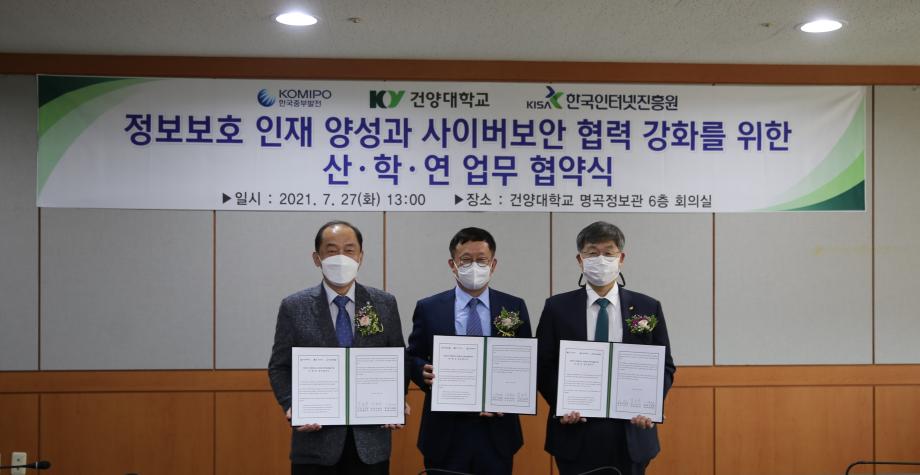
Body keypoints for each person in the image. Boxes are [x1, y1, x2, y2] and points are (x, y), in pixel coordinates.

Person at [536, 221, 676, 475]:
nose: (600, 260)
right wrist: (561, 404)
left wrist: (650, 404)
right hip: (575, 430)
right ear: (580, 260)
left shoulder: (647, 307)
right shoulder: (557, 308)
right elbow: (543, 365)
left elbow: (665, 366)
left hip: (630, 431)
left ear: (621, 258)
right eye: (592, 253)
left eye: (608, 253)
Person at [268, 220, 406, 475]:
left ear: (360, 257)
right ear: (317, 258)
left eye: (349, 250)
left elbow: (399, 359)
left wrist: (397, 399)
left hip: (370, 442)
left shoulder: (383, 303)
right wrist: (292, 404)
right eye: (331, 251)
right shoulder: (294, 306)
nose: (341, 258)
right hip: (315, 442)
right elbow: (279, 366)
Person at [407, 227, 532, 475]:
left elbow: (527, 361)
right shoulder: (429, 308)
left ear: (493, 265)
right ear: (453, 265)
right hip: (445, 431)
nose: (474, 266)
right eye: (466, 260)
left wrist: (511, 392)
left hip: (496, 430)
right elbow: (412, 355)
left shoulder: (513, 306)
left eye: (481, 260)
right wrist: (421, 371)